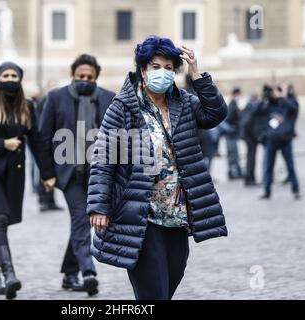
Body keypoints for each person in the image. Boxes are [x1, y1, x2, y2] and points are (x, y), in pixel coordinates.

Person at [87, 36, 228, 300]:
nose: (161, 72)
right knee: (154, 292)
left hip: (176, 215)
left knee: (172, 278)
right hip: (141, 213)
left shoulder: (183, 102)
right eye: (155, 66)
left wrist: (197, 76)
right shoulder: (123, 108)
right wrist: (99, 206)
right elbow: (104, 159)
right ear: (143, 70)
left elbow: (215, 114)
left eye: (167, 67)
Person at [0, 62, 55, 299]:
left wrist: (47, 175)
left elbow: (37, 142)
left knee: (2, 224)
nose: (10, 78)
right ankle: (9, 274)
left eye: (14, 75)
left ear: (20, 79)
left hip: (14, 173)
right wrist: (2, 144)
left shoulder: (27, 106)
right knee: (0, 217)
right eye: (5, 75)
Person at [40, 54, 115, 295]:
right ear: (73, 75)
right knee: (82, 219)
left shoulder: (108, 98)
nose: (85, 80)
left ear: (96, 78)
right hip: (69, 172)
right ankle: (88, 271)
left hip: (98, 173)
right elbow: (43, 138)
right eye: (80, 76)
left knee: (80, 223)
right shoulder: (55, 97)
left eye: (89, 77)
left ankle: (69, 273)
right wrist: (47, 174)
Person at [260, 84, 300, 200]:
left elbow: (294, 109)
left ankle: (295, 189)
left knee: (290, 165)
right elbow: (259, 110)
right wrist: (266, 97)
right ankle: (267, 190)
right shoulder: (270, 103)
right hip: (272, 139)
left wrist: (283, 97)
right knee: (268, 166)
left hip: (285, 139)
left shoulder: (290, 102)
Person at [239, 91, 266, 186]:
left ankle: (250, 179)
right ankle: (249, 179)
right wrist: (253, 136)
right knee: (251, 159)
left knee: (251, 159)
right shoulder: (250, 107)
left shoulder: (250, 106)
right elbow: (246, 122)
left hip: (250, 137)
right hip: (250, 138)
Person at [222, 87, 243, 179]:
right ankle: (232, 173)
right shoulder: (232, 104)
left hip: (232, 134)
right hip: (231, 134)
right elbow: (228, 119)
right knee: (232, 153)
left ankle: (235, 172)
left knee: (234, 153)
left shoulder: (233, 104)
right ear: (236, 94)